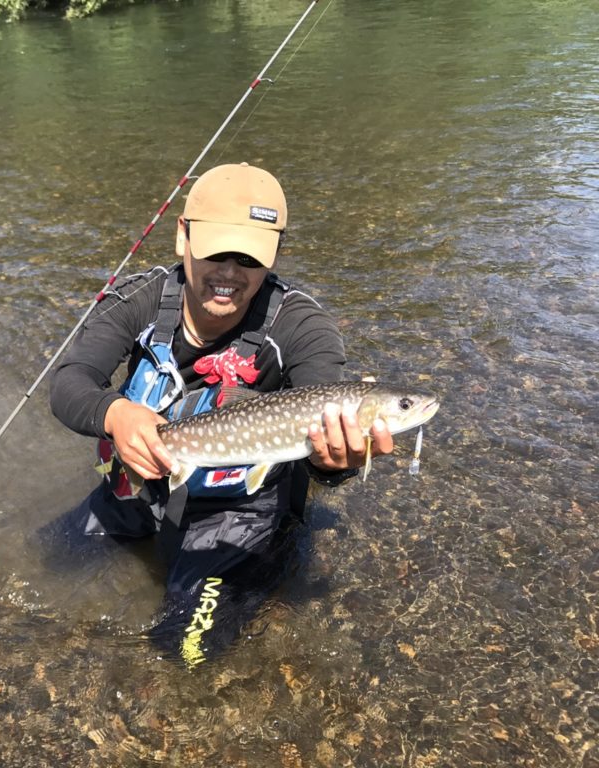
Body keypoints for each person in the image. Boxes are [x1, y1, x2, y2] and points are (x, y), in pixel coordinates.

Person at [48, 163, 393, 664]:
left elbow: (324, 409)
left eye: (248, 258)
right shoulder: (140, 298)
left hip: (237, 513)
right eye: (217, 252)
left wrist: (332, 464)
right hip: (139, 482)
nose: (230, 273)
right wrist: (116, 415)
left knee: (184, 655)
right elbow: (68, 381)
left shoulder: (303, 327)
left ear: (273, 256)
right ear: (182, 237)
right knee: (48, 559)